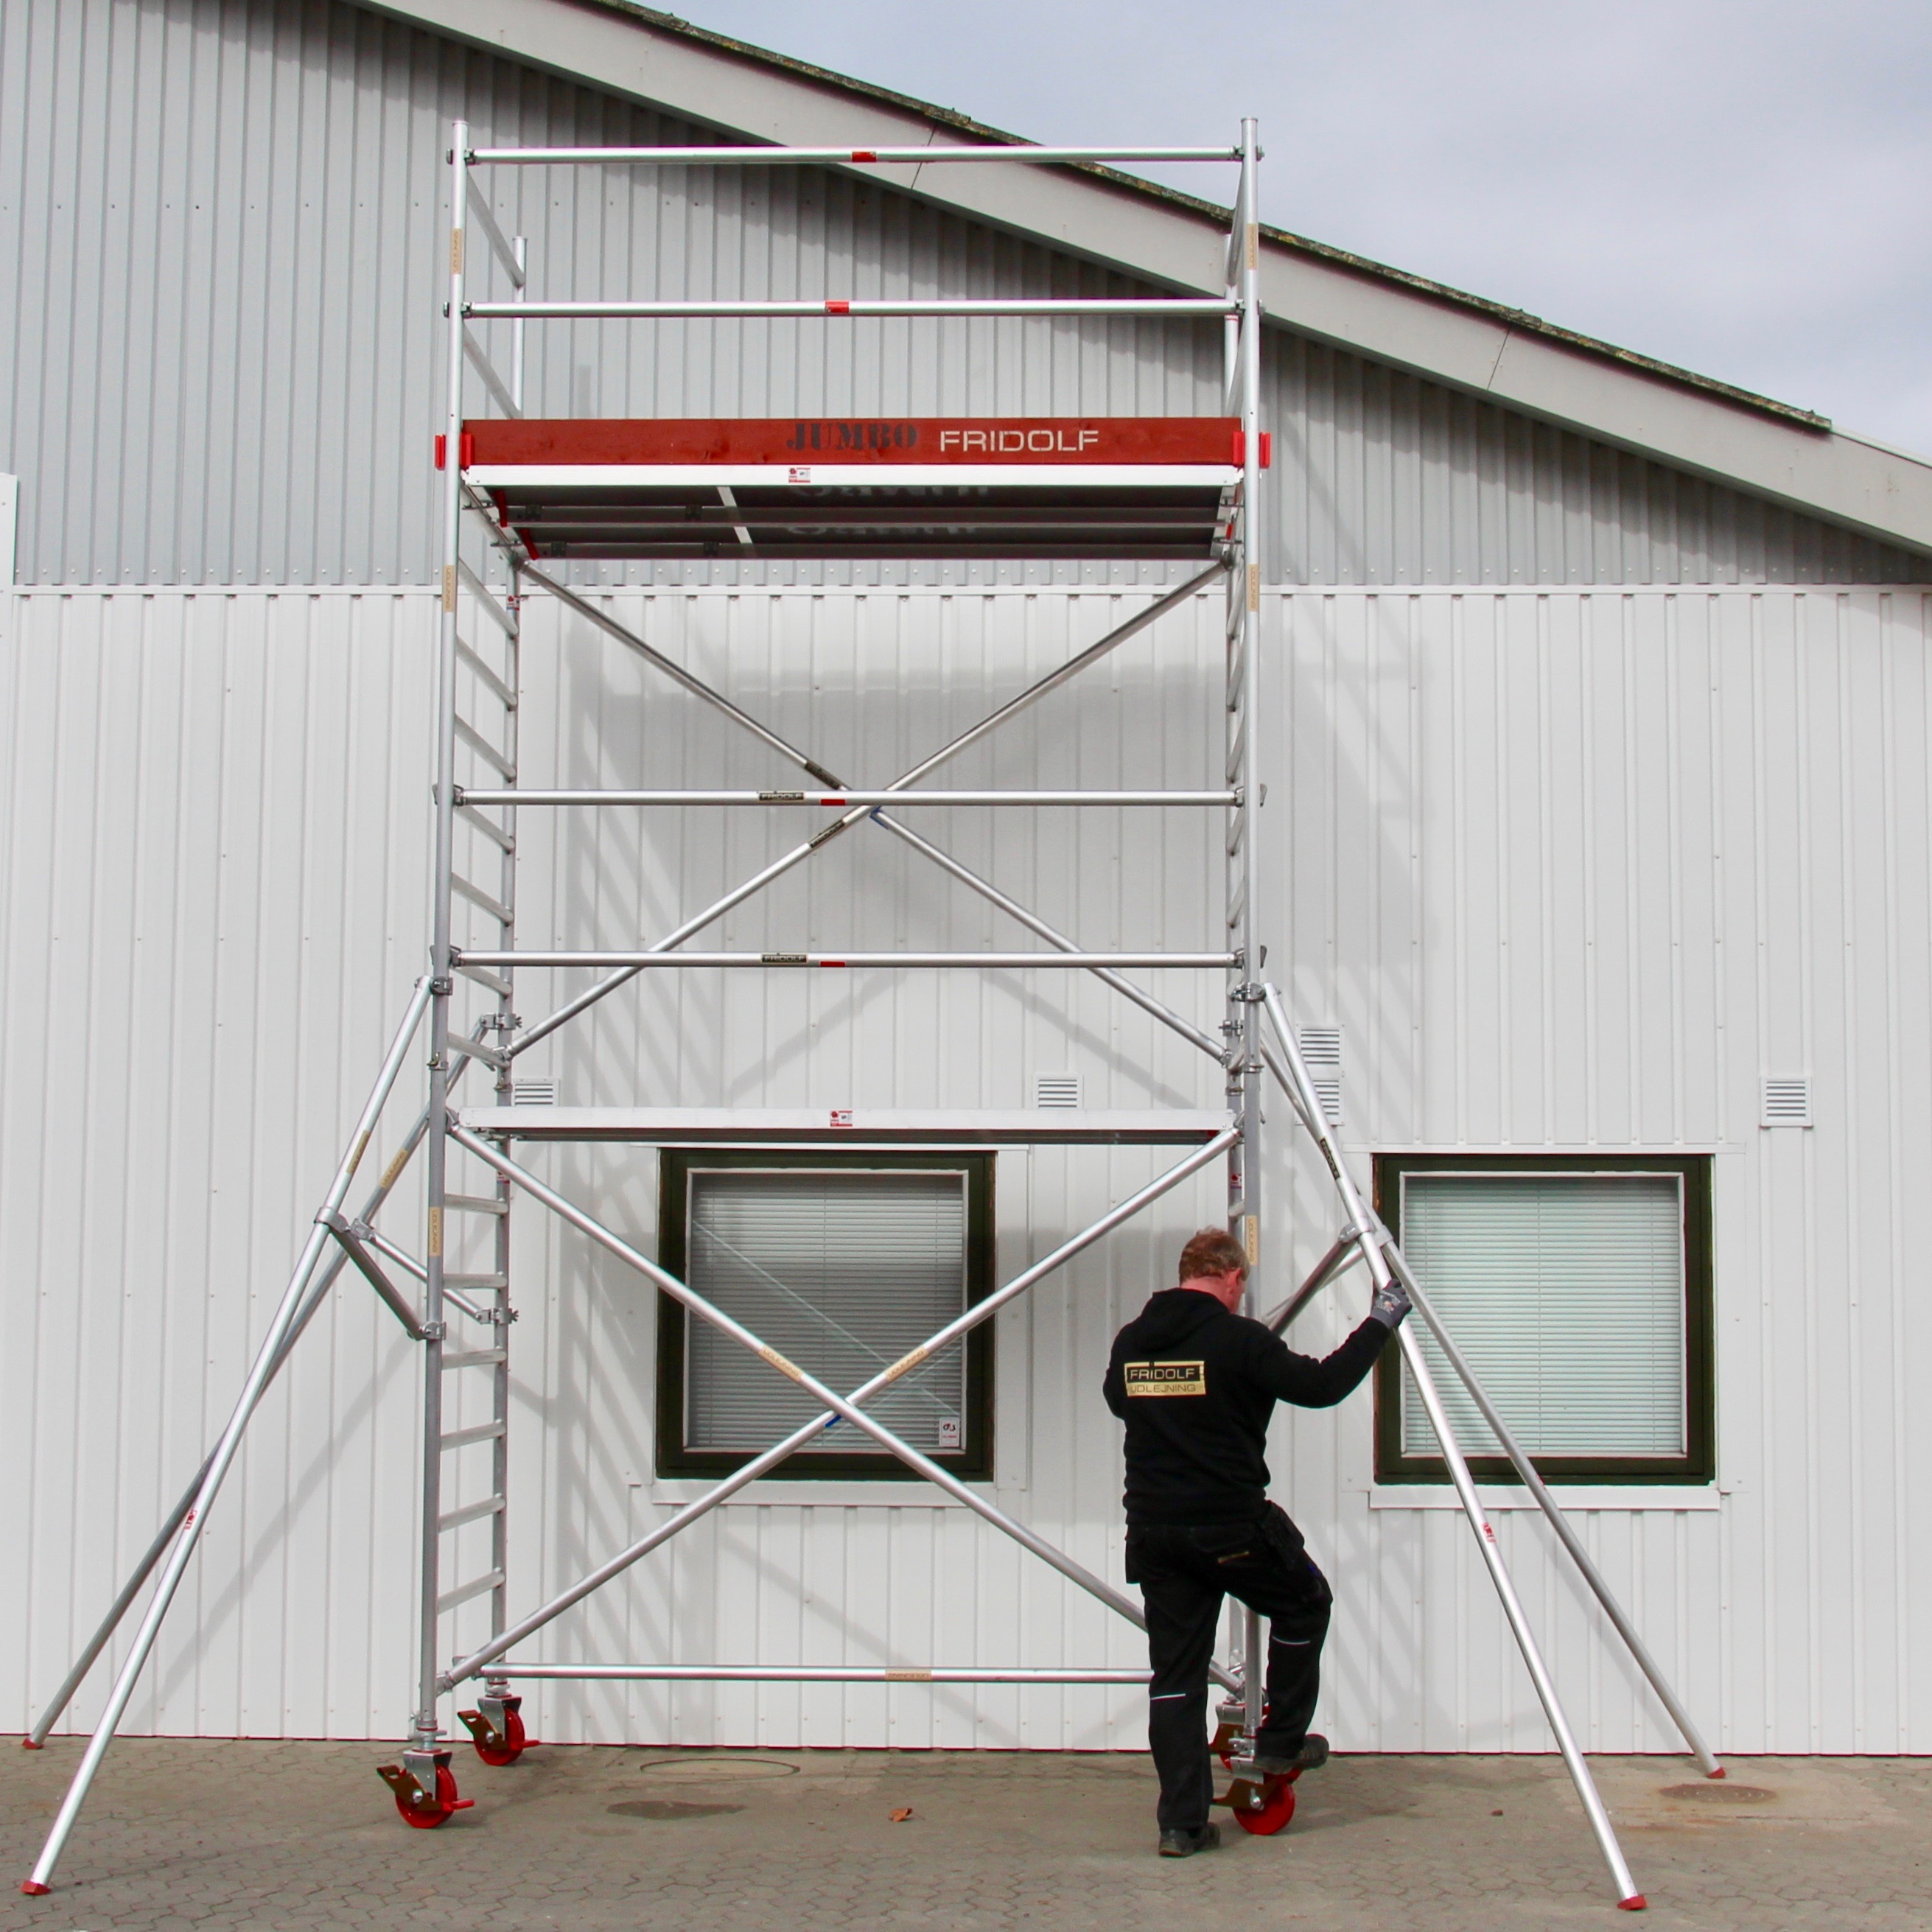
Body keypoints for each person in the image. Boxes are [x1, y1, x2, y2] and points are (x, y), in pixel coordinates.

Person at [1102, 1225, 1410, 1857]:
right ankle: (1279, 1742)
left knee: (1176, 1677)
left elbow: (1118, 1400)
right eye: (1242, 1285)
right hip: (1228, 1527)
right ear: (1233, 1277)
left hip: (1155, 1532)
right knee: (1305, 1604)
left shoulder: (1133, 1340)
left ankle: (1181, 1825)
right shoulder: (1239, 1339)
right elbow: (1322, 1386)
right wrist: (1380, 1322)